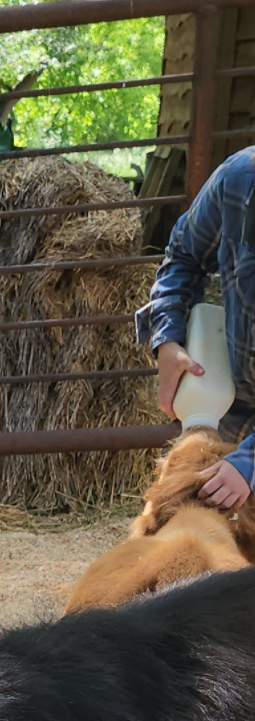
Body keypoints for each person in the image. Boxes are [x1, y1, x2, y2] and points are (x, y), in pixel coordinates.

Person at [143, 145, 255, 511]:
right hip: (234, 411)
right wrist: (168, 339)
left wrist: (250, 463)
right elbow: (183, 255)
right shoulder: (238, 179)